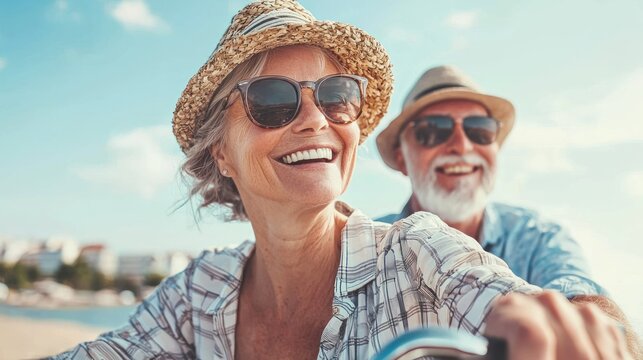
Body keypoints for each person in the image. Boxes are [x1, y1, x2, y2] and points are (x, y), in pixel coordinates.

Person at [52, 1, 631, 359]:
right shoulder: (201, 291)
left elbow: (530, 305)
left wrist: (571, 333)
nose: (315, 119)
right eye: (272, 100)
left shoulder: (417, 251)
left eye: (335, 96)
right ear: (220, 154)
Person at [376, 64, 641, 357]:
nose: (461, 145)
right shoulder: (364, 246)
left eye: (479, 131)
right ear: (401, 158)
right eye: (433, 131)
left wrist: (585, 324)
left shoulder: (538, 236)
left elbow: (579, 291)